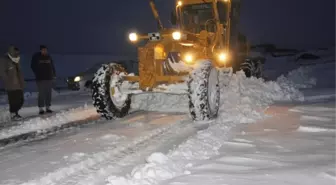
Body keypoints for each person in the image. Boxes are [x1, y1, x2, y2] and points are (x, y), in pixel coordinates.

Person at [0, 46, 25, 121]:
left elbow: (19, 72)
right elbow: (2, 72)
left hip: (19, 84)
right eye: (15, 52)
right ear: (11, 52)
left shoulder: (16, 60)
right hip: (11, 85)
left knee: (21, 100)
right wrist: (8, 80)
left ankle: (14, 112)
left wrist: (22, 82)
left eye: (18, 52)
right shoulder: (4, 60)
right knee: (13, 100)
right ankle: (13, 114)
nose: (17, 53)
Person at [31, 45, 56, 115]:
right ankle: (41, 108)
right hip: (40, 78)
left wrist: (54, 75)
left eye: (45, 50)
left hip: (49, 78)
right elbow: (32, 66)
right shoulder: (36, 57)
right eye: (43, 50)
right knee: (41, 93)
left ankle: (48, 107)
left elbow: (52, 66)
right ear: (40, 50)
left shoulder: (49, 57)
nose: (44, 51)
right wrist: (38, 72)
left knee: (49, 93)